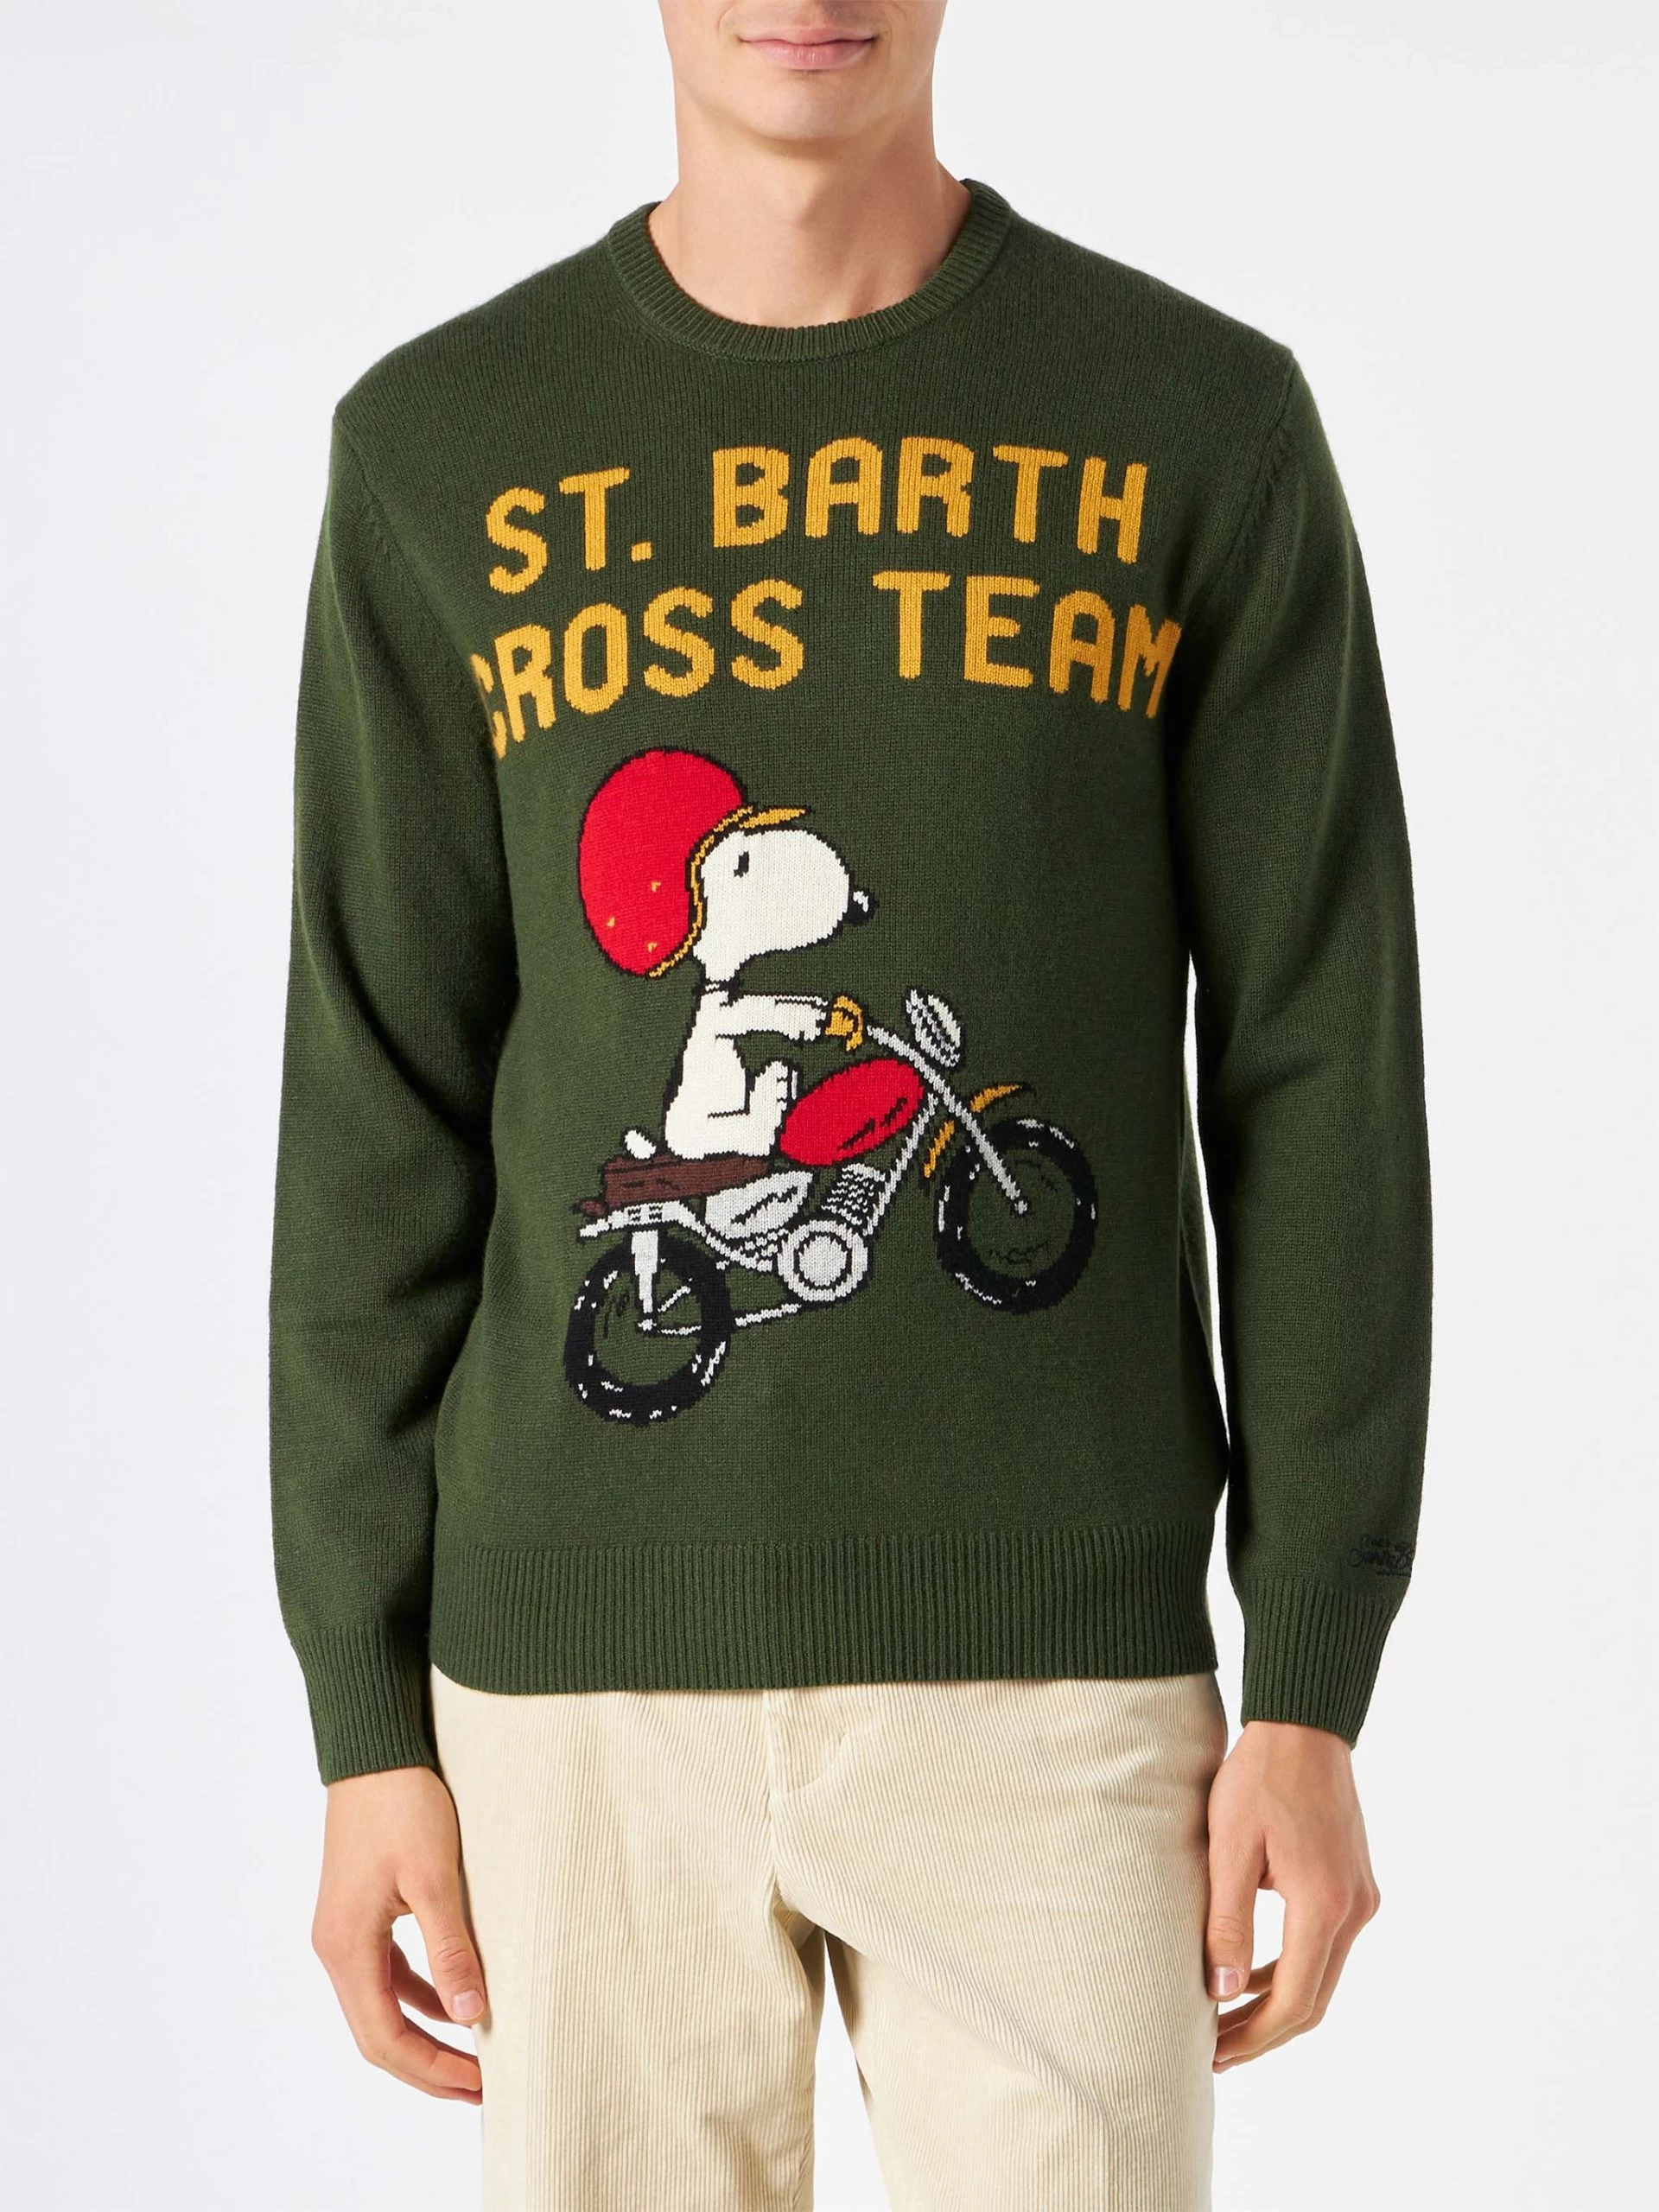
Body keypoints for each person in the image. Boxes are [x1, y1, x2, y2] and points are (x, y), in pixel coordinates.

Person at [269, 3, 1432, 2204]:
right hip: (570, 1697)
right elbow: (374, 1101)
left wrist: (1312, 1671)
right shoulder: (441, 447)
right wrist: (361, 1713)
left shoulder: (1196, 423)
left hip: (1064, 1692)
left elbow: (1319, 1064)